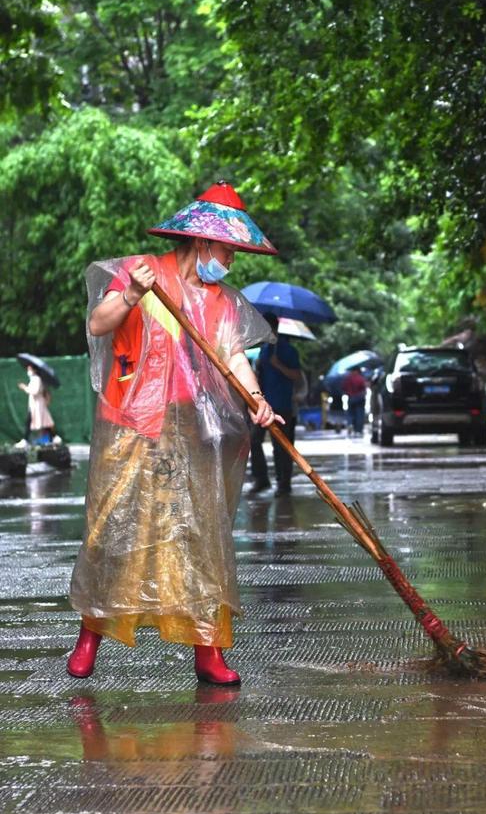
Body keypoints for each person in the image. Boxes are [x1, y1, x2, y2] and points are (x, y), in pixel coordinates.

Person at [67, 180, 282, 686]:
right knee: (113, 533)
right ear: (203, 242)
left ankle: (208, 651)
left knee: (200, 536)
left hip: (195, 432)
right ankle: (90, 635)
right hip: (130, 426)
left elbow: (233, 358)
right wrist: (132, 293)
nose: (230, 261)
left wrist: (258, 402)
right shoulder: (142, 271)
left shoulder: (223, 302)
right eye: (228, 249)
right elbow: (100, 324)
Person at [249, 313, 301, 496]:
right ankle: (261, 479)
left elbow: (296, 376)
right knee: (253, 440)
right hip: (263, 404)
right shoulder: (264, 350)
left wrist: (278, 365)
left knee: (282, 446)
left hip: (283, 404)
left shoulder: (287, 350)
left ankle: (283, 483)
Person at [16, 365, 55, 446]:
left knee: (36, 422)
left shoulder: (37, 379)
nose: (28, 370)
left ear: (34, 370)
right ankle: (52, 438)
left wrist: (24, 387)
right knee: (44, 423)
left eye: (30, 369)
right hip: (34, 405)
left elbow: (35, 391)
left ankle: (25, 440)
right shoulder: (34, 379)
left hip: (38, 405)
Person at [342, 365, 368, 436]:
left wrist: (348, 392)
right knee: (359, 414)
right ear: (357, 371)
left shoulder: (348, 378)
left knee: (350, 413)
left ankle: (350, 424)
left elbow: (343, 387)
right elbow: (364, 388)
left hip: (351, 398)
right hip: (360, 398)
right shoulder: (361, 378)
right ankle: (358, 430)